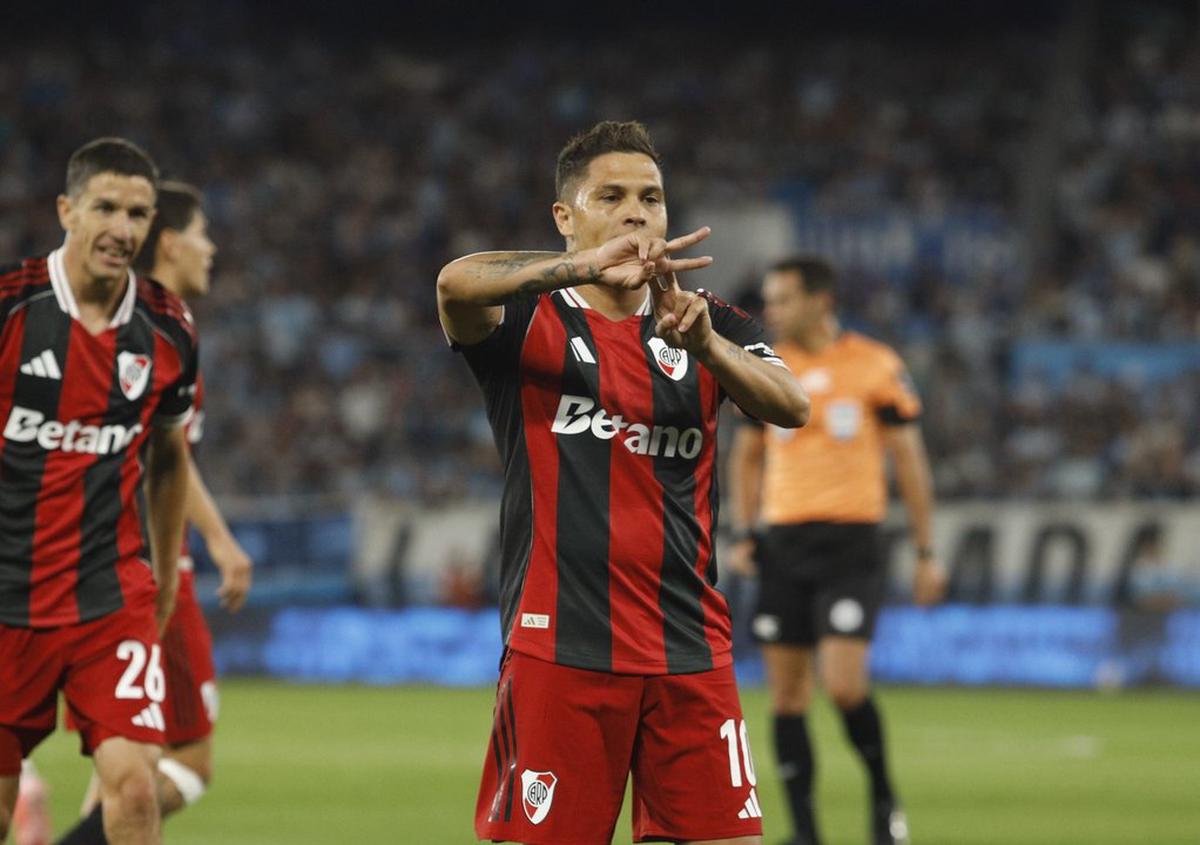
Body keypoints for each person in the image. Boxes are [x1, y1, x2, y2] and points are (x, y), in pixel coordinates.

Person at [437, 119, 810, 845]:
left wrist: (705, 346)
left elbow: (792, 404)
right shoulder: (526, 318)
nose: (637, 212)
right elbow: (455, 284)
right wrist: (581, 267)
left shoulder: (713, 323)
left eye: (651, 197)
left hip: (689, 646)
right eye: (611, 196)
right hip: (562, 649)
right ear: (565, 217)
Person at [0, 138, 197, 845]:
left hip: (107, 600)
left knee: (137, 789)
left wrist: (167, 575)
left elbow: (171, 457)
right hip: (7, 598)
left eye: (138, 213)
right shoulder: (10, 310)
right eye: (105, 207)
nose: (122, 226)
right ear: (66, 210)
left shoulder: (167, 327)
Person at [52, 181, 253, 844]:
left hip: (117, 565)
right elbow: (161, 461)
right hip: (148, 568)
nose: (212, 248)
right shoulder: (156, 329)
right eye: (202, 233)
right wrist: (219, 543)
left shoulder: (137, 322)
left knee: (122, 761)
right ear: (169, 242)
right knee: (187, 763)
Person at [726, 257, 946, 845]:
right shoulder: (767, 368)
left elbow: (910, 462)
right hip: (783, 543)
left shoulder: (874, 364)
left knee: (844, 686)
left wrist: (927, 551)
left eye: (783, 300)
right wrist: (745, 531)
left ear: (820, 300)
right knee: (788, 696)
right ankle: (805, 831)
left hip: (851, 542)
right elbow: (745, 457)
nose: (771, 312)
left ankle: (882, 796)